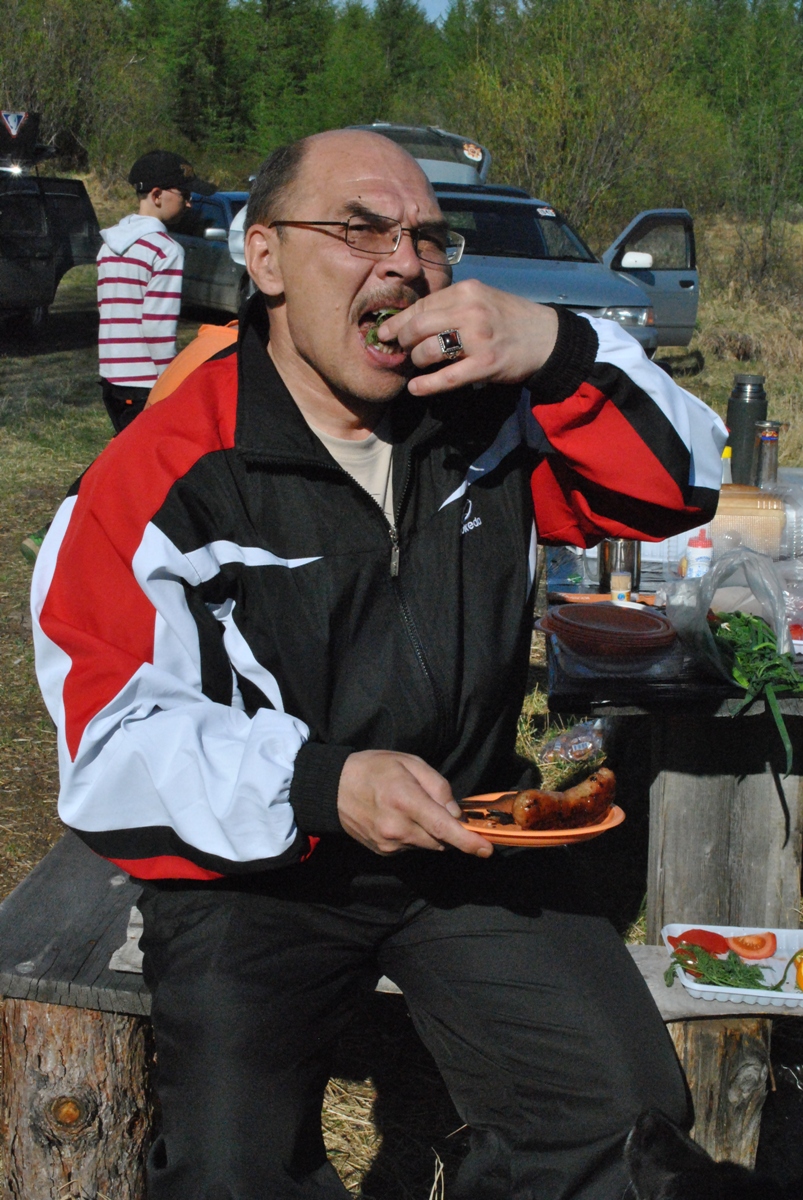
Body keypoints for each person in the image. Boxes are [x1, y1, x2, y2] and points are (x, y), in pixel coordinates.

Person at [32, 129, 727, 1200]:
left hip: (467, 831)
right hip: (256, 866)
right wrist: (322, 781)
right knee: (231, 1170)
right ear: (265, 258)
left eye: (427, 238)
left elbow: (680, 486)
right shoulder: (164, 471)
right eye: (359, 230)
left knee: (622, 1122)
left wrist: (560, 347)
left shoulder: (485, 420)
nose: (404, 264)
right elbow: (110, 739)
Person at [96, 150, 216, 433]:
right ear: (157, 194)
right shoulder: (166, 250)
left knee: (125, 450)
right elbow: (157, 326)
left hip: (110, 378)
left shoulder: (108, 246)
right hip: (147, 382)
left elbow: (107, 310)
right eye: (185, 194)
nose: (189, 203)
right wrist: (171, 380)